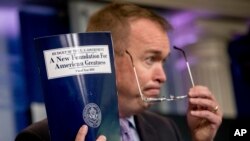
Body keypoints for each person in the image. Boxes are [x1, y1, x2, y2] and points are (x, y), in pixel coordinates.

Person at [15, 2, 222, 141]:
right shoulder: (39, 137)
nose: (163, 77)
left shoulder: (165, 129)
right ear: (107, 59)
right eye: (150, 59)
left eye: (164, 61)